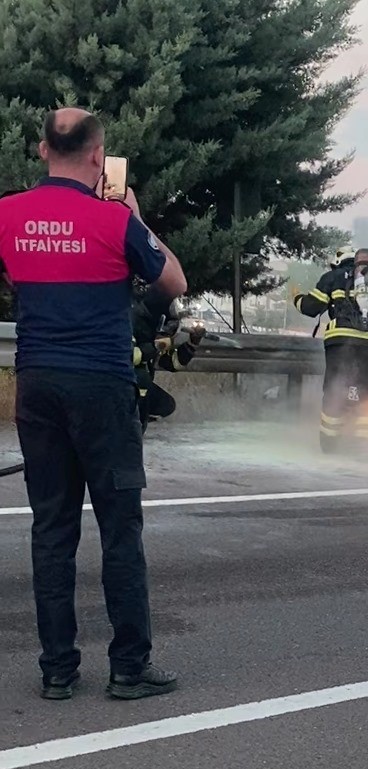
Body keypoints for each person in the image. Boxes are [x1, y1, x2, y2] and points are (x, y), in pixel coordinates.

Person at [0, 108, 187, 701]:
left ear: (40, 150)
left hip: (37, 385)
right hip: (103, 389)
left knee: (51, 529)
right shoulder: (113, 219)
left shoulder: (5, 214)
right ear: (97, 155)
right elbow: (172, 283)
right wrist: (135, 218)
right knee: (119, 529)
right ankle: (128, 667)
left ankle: (57, 670)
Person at [294, 247, 368, 452]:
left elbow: (311, 308)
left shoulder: (333, 277)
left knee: (335, 390)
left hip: (341, 340)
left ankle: (330, 445)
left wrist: (296, 297)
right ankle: (363, 446)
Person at [132, 291, 206, 431]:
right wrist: (155, 346)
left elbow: (172, 363)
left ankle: (137, 424)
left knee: (165, 404)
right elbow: (128, 357)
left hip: (140, 388)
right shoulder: (129, 329)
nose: (166, 335)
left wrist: (192, 343)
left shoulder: (155, 336)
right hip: (120, 383)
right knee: (142, 380)